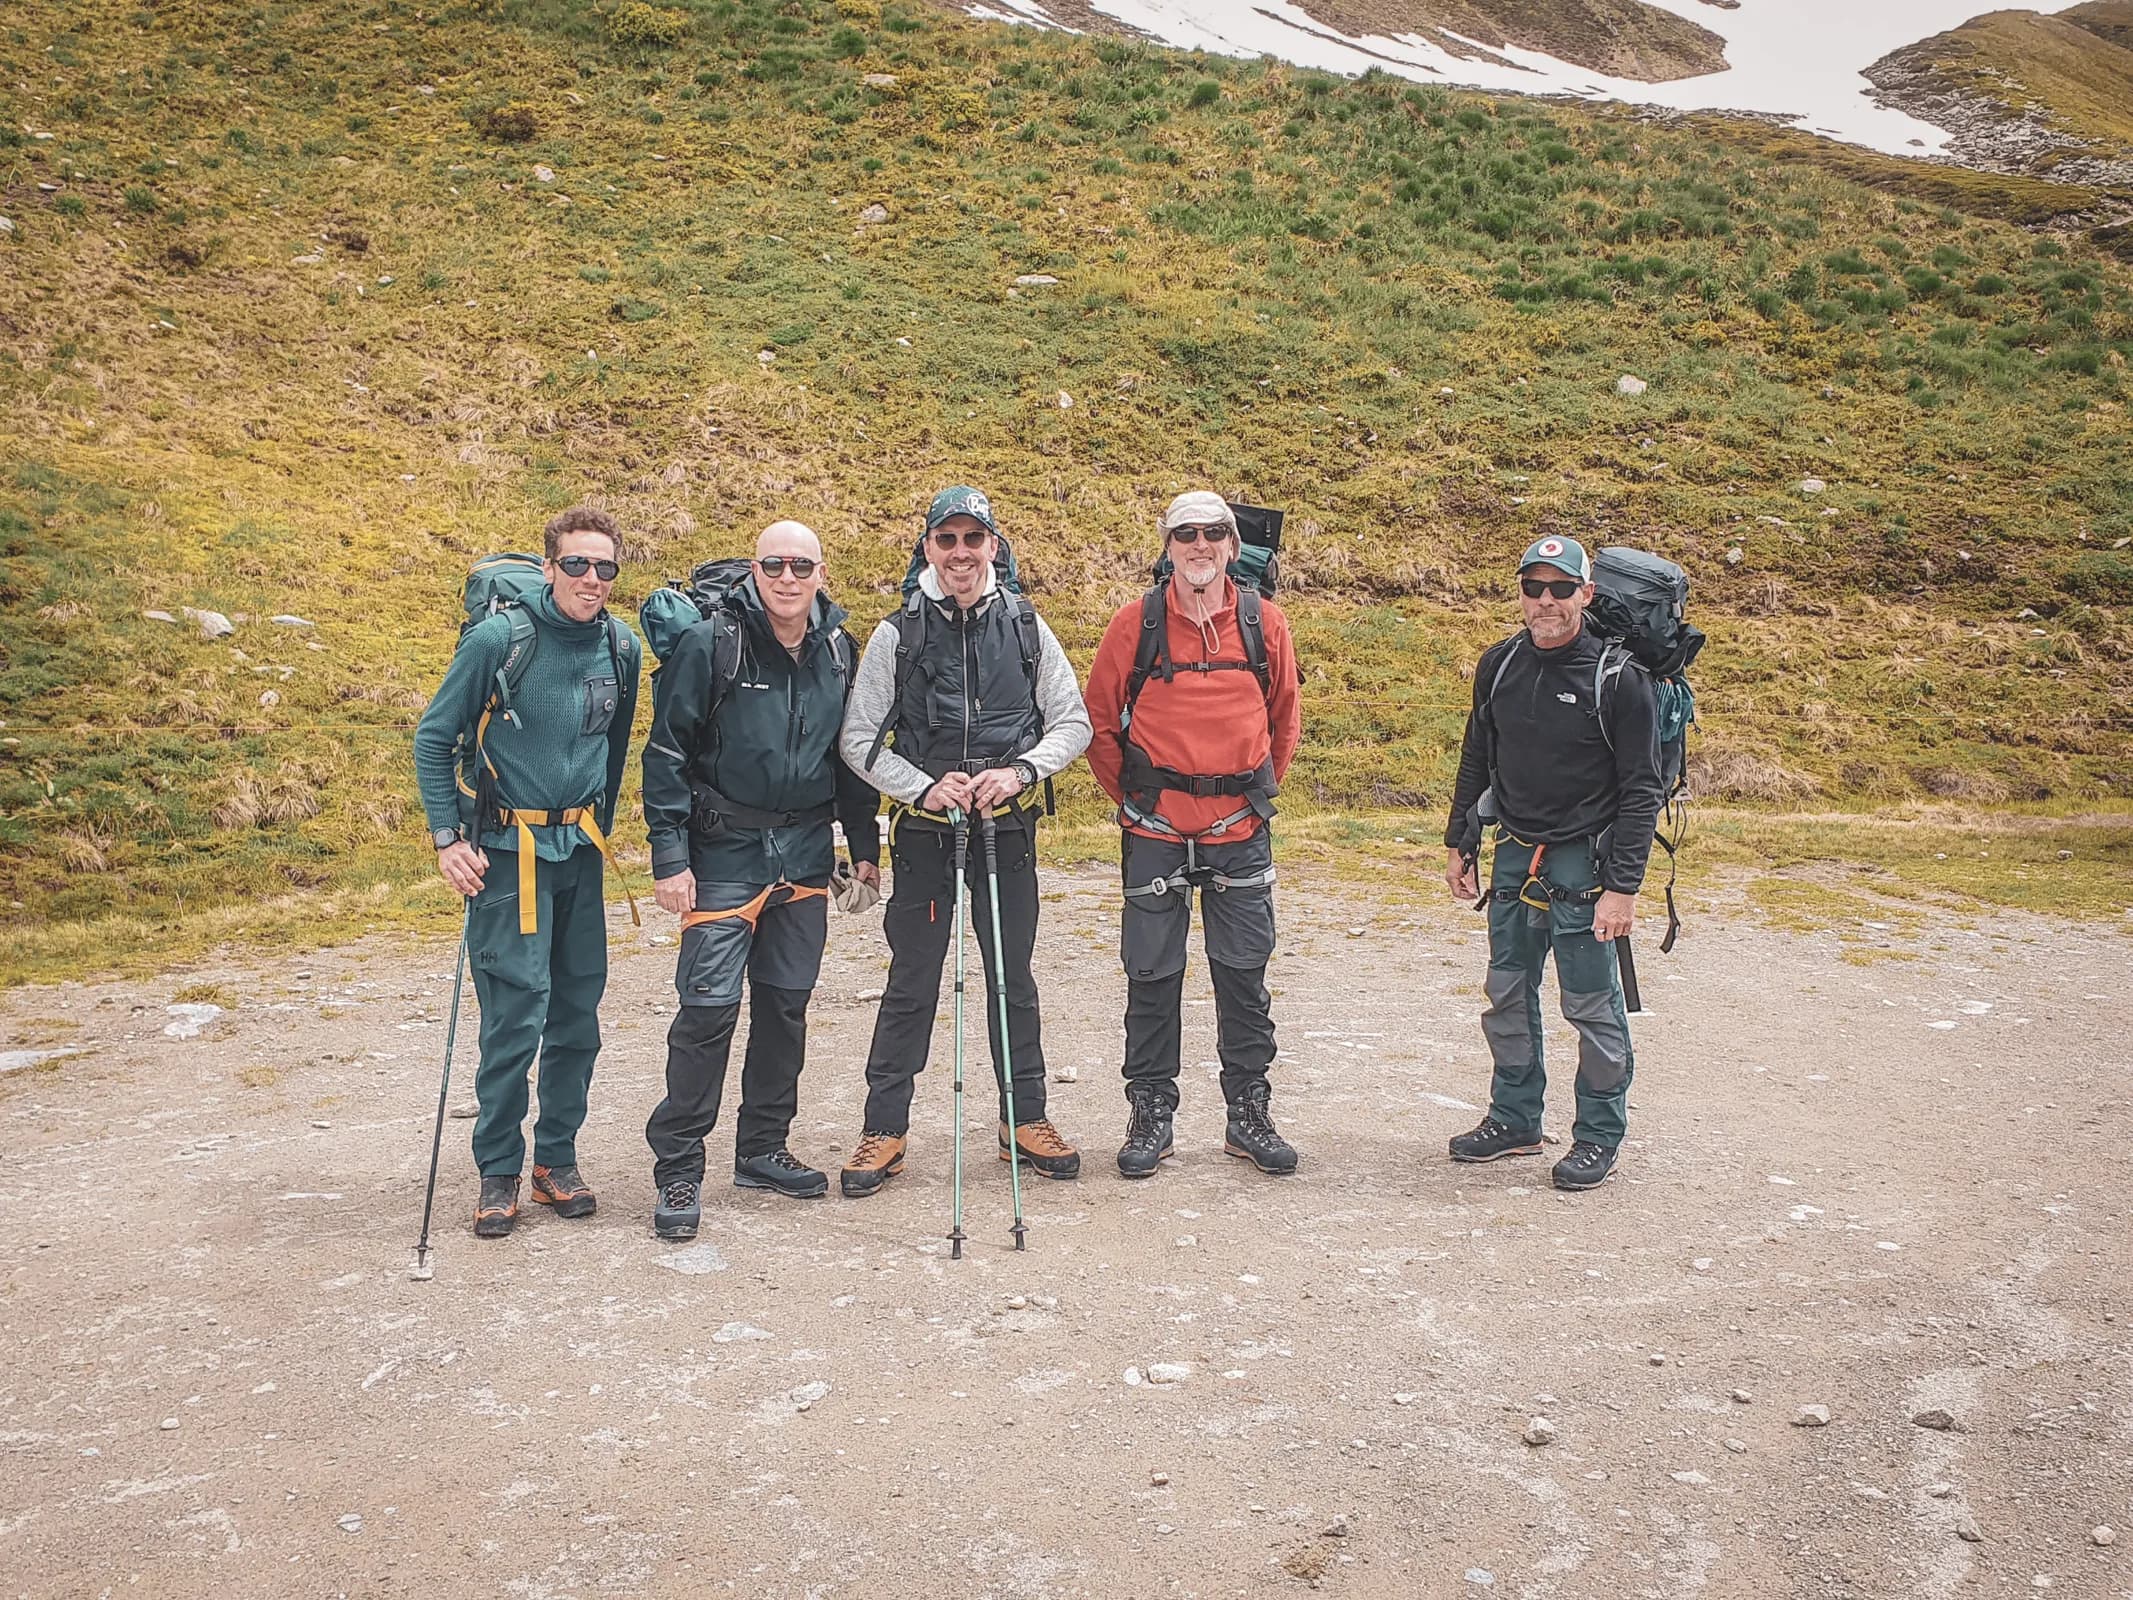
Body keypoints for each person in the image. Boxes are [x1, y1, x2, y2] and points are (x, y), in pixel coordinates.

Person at [836, 486, 1092, 1197]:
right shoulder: (899, 634)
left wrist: (1019, 772)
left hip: (1006, 831)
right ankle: (884, 1129)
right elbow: (858, 740)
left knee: (1014, 978)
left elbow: (1072, 723)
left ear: (993, 547)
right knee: (910, 983)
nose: (959, 554)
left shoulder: (1026, 626)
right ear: (927, 548)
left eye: (971, 540)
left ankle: (1025, 1118)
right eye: (945, 540)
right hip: (924, 834)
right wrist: (920, 786)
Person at [639, 522, 883, 1241]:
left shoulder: (839, 647)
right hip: (721, 853)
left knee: (785, 1007)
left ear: (819, 571)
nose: (786, 576)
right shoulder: (710, 642)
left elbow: (850, 756)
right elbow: (665, 753)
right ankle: (678, 1166)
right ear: (754, 568)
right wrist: (667, 856)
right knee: (707, 1011)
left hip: (805, 853)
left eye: (799, 565)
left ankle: (762, 1150)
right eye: (773, 563)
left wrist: (862, 846)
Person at [413, 506, 642, 1238]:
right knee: (514, 1019)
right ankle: (497, 1171)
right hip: (507, 859)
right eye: (577, 564)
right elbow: (433, 737)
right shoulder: (499, 639)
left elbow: (613, 750)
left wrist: (597, 830)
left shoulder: (620, 646)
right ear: (549, 567)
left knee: (577, 1018)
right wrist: (450, 839)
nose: (591, 579)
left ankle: (556, 1161)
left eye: (605, 567)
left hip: (579, 856)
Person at [1083, 491, 1303, 1179]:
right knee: (1151, 974)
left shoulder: (1263, 622)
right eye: (1185, 534)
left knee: (1243, 975)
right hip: (1154, 826)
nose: (1199, 545)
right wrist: (1141, 801)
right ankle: (1150, 1113)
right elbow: (1099, 724)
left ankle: (1248, 1113)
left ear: (1232, 546)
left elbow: (1284, 719)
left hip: (1238, 827)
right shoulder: (1134, 624)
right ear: (1167, 546)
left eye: (1212, 533)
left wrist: (1249, 798)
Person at [1441, 535, 1663, 1191]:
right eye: (1533, 587)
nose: (1546, 601)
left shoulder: (1619, 679)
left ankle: (1597, 1135)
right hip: (1514, 852)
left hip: (1584, 865)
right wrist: (1461, 840)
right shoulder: (1500, 664)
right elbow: (1476, 754)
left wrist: (1621, 888)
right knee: (1507, 995)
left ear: (1585, 595)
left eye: (1561, 588)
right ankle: (1514, 1120)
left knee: (1592, 1006)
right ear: (1520, 593)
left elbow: (1641, 790)